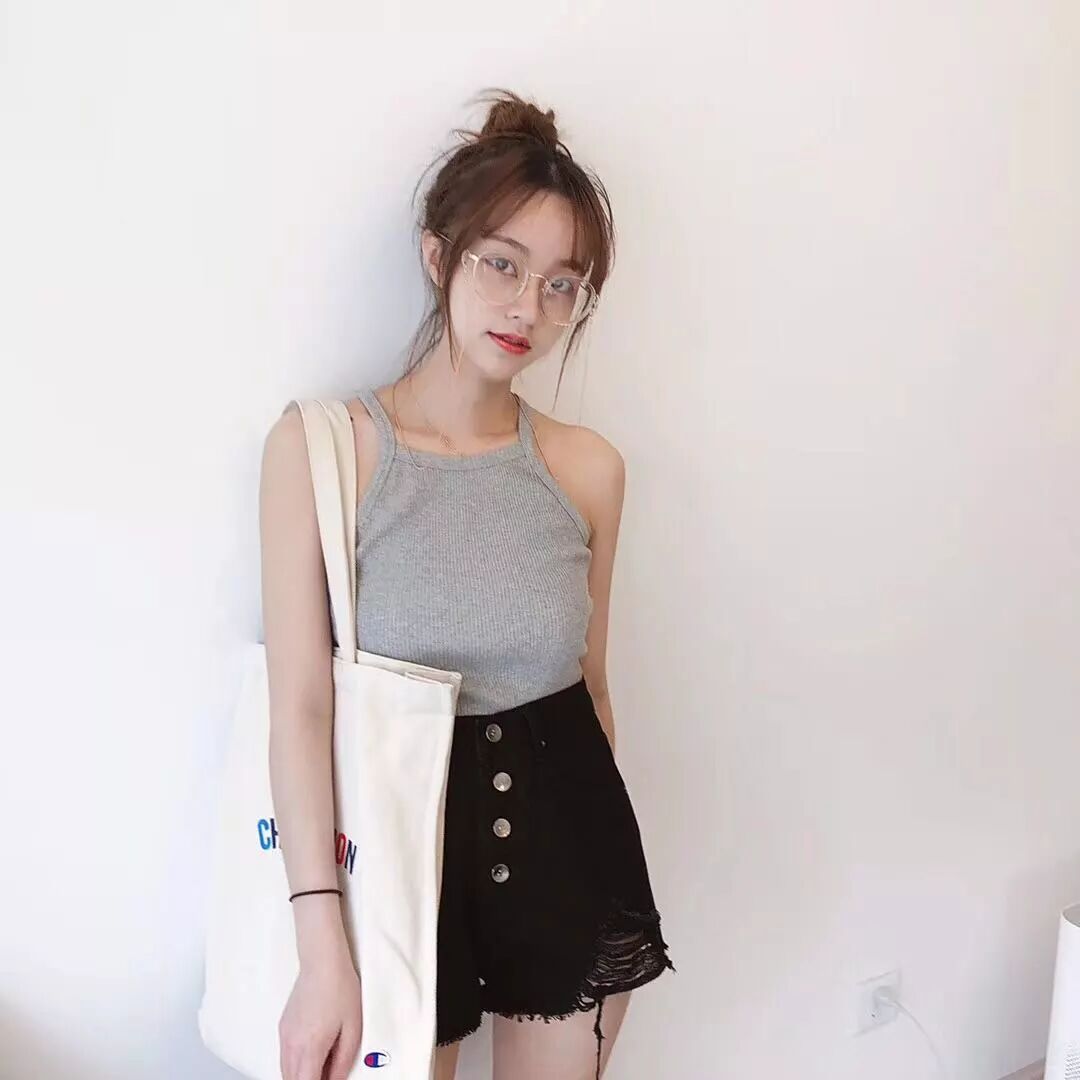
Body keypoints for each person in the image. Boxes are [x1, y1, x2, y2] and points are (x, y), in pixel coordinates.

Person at [259, 87, 675, 1080]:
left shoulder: (588, 470)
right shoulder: (323, 451)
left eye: (563, 284)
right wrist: (320, 946)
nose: (528, 307)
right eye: (503, 264)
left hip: (566, 842)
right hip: (389, 866)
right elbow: (301, 710)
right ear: (438, 255)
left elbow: (592, 687)